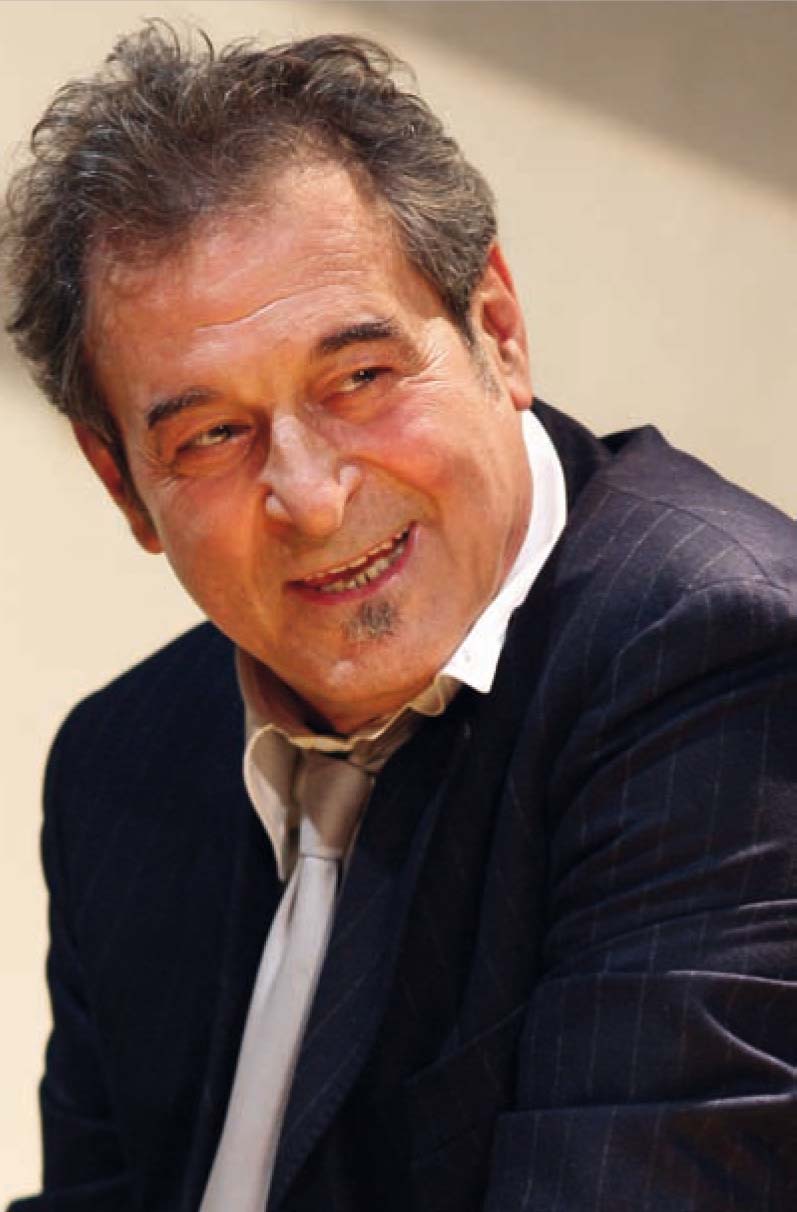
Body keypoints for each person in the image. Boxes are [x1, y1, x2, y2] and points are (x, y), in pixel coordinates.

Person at [3, 23, 796, 1212]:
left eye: (360, 378)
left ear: (497, 332)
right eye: (212, 435)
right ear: (123, 486)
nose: (312, 497)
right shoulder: (121, 761)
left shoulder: (719, 655)